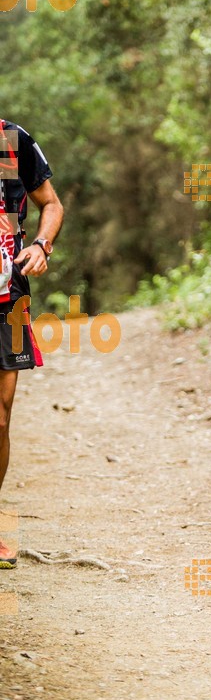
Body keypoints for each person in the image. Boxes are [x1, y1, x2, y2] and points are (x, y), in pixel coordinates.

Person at [0, 118, 63, 568]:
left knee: (0, 416)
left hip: (10, 292)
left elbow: (52, 204)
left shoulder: (11, 139)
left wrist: (41, 245)